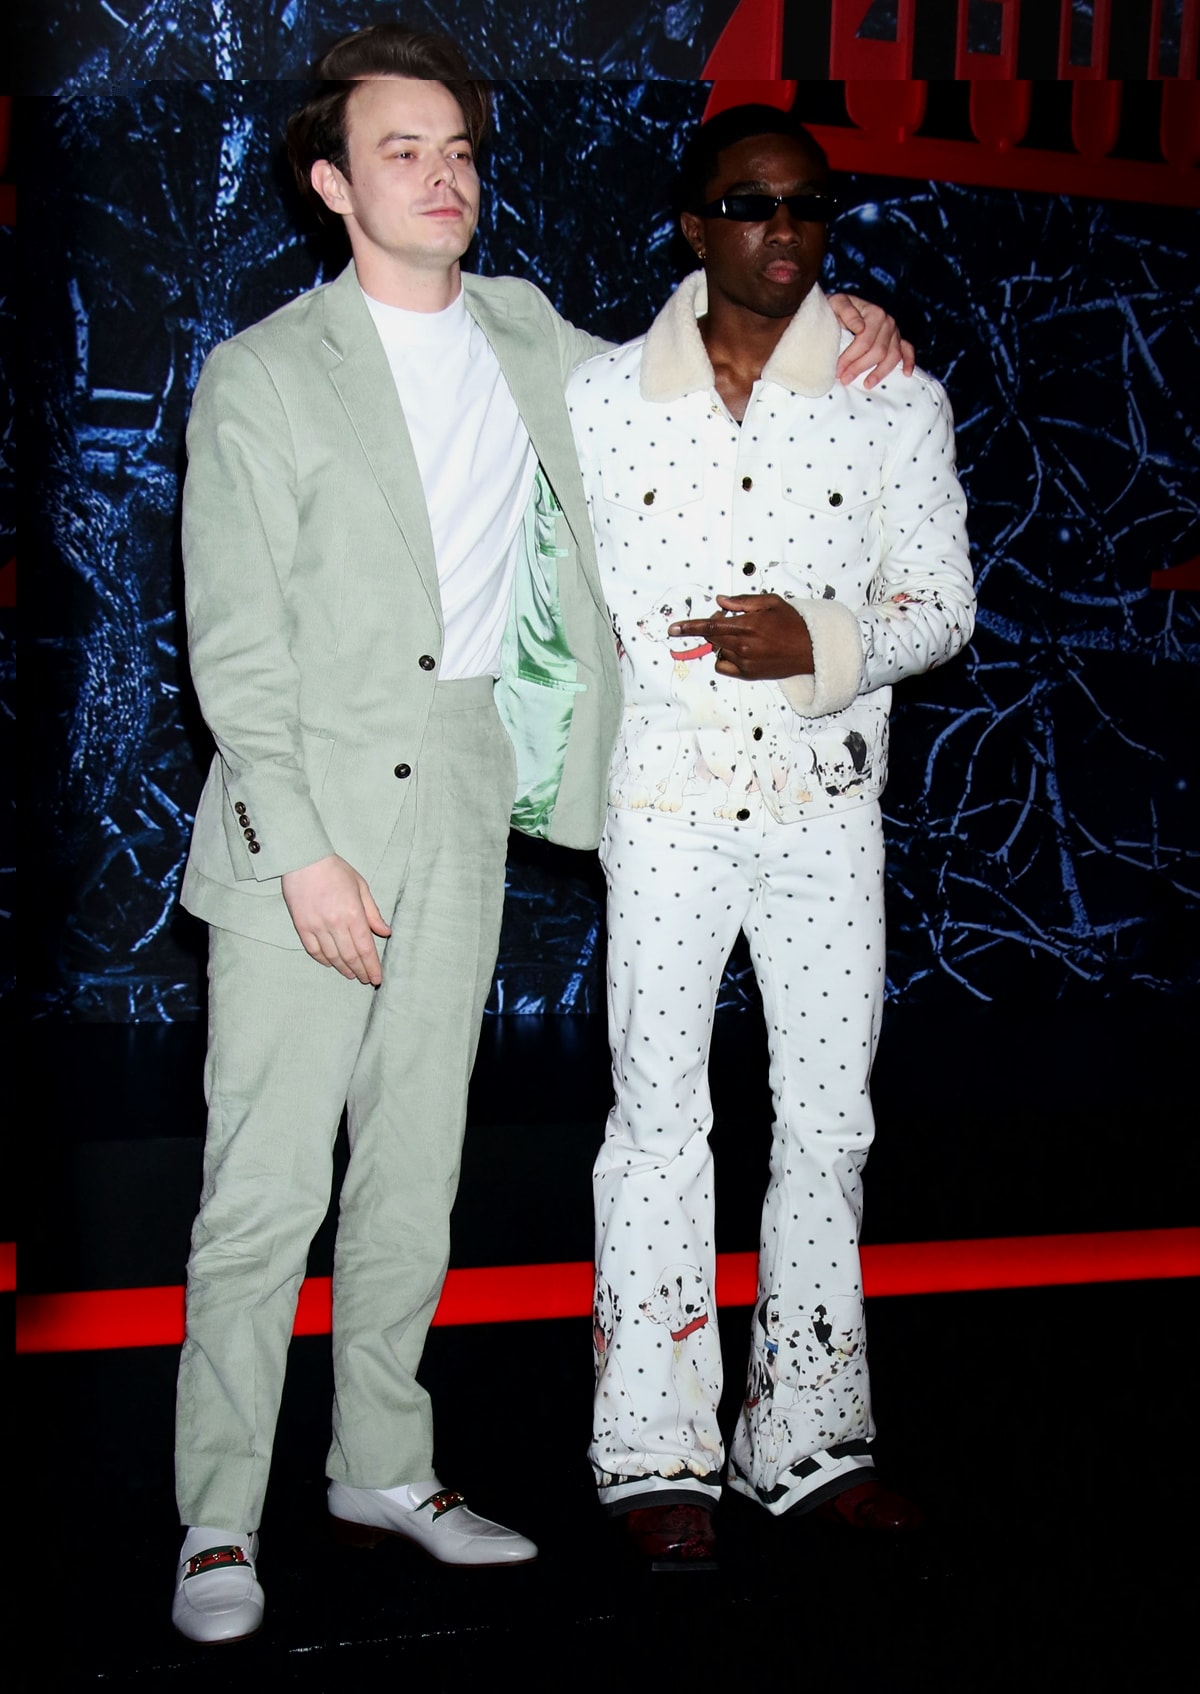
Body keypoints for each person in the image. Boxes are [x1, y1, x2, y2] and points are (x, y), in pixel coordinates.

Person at [171, 25, 910, 1642]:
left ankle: (384, 1460)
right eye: (402, 152)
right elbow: (231, 647)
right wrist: (300, 847)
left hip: (461, 791)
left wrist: (837, 320)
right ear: (330, 184)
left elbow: (701, 347)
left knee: (415, 1170)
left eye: (459, 151)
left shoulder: (527, 338)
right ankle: (219, 1515)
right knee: (266, 1187)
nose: (444, 177)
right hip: (301, 806)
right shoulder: (263, 372)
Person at [567, 103, 975, 1568]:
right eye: (751, 204)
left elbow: (947, 606)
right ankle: (656, 1445)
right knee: (660, 1124)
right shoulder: (601, 400)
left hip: (824, 811)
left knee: (826, 1122)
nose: (786, 232)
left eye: (810, 205)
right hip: (666, 806)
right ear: (693, 224)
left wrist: (824, 639)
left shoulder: (890, 401)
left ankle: (808, 1433)